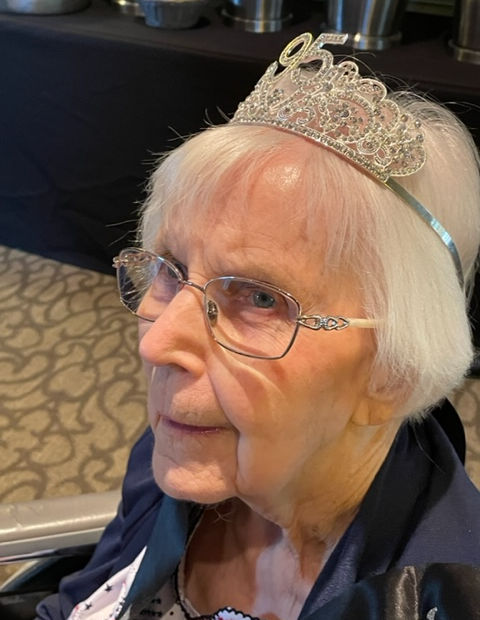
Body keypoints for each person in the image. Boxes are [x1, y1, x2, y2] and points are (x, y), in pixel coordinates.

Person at [37, 32, 480, 619]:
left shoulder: (438, 599)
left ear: (394, 372)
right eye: (170, 269)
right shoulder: (186, 439)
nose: (159, 344)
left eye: (261, 298)